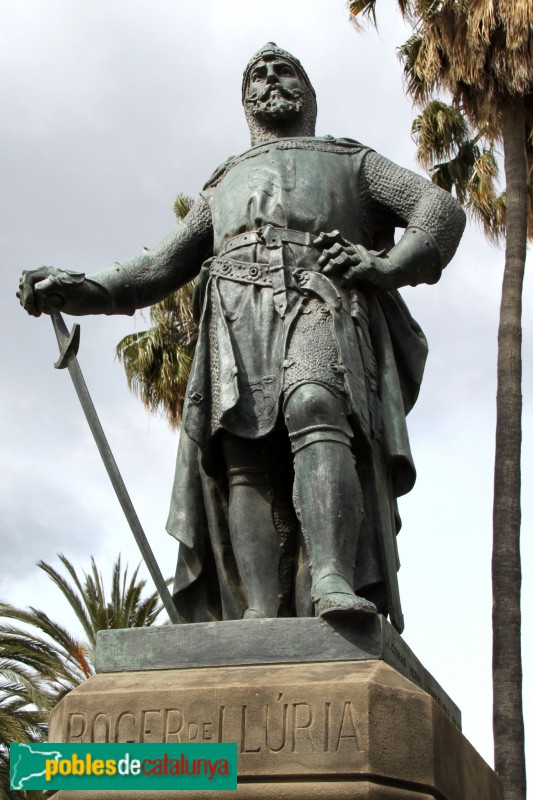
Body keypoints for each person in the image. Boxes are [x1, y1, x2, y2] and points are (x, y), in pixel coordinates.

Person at [17, 43, 465, 632]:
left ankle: (332, 579)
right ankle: (257, 610)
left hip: (318, 296)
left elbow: (438, 209)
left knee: (316, 403)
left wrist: (387, 266)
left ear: (308, 93)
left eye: (285, 71)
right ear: (246, 100)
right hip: (235, 312)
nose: (271, 79)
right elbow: (158, 267)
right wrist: (78, 288)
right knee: (241, 451)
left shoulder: (351, 161)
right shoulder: (224, 183)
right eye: (258, 75)